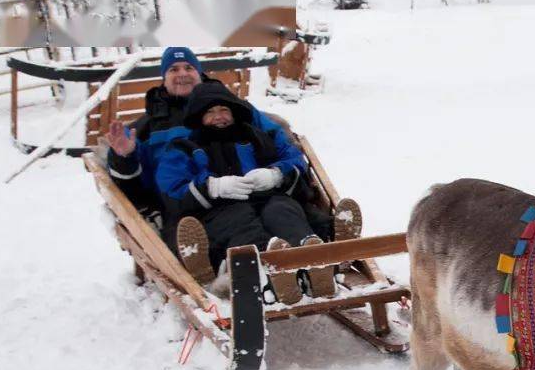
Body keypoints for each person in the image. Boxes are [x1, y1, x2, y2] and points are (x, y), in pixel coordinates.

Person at [102, 47, 350, 246]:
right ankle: (263, 258)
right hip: (186, 199)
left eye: (189, 67)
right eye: (173, 69)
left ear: (200, 73)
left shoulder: (236, 113)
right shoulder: (146, 128)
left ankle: (321, 239)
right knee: (235, 220)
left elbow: (275, 140)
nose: (182, 74)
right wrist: (125, 156)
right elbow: (142, 185)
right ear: (163, 77)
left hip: (250, 188)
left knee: (281, 209)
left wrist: (276, 173)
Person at [155, 81, 334, 303]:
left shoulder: (257, 137)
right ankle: (261, 274)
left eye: (223, 110)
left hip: (269, 197)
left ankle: (311, 260)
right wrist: (213, 187)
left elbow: (294, 159)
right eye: (210, 112)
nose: (218, 116)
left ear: (233, 112)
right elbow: (171, 188)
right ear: (199, 117)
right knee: (240, 221)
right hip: (219, 209)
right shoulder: (185, 147)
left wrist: (276, 175)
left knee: (282, 211)